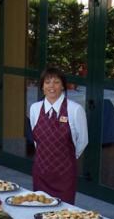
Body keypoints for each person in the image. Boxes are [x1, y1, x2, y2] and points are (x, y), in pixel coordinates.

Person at [29, 67, 88, 204]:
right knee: (39, 210)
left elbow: (83, 140)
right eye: (47, 82)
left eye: (56, 82)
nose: (51, 86)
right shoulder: (34, 108)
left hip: (64, 174)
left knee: (63, 213)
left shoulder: (75, 110)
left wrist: (68, 158)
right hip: (41, 172)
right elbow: (37, 140)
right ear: (42, 86)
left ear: (63, 86)